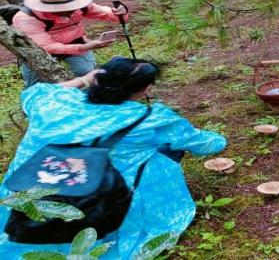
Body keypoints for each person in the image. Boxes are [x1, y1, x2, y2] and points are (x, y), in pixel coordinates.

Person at [0, 57, 227, 259]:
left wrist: (84, 80)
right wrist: (220, 138)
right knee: (158, 155)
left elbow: (34, 92)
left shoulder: (54, 103)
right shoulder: (148, 118)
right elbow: (205, 144)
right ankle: (135, 218)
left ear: (99, 77)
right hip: (97, 194)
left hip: (28, 188)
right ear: (145, 89)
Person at [11, 0, 130, 87]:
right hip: (38, 51)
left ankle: (90, 101)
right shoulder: (26, 18)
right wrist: (85, 47)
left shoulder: (80, 6)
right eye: (62, 9)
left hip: (75, 41)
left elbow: (108, 14)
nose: (70, 10)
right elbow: (45, 47)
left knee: (87, 73)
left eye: (70, 7)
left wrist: (119, 12)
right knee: (35, 85)